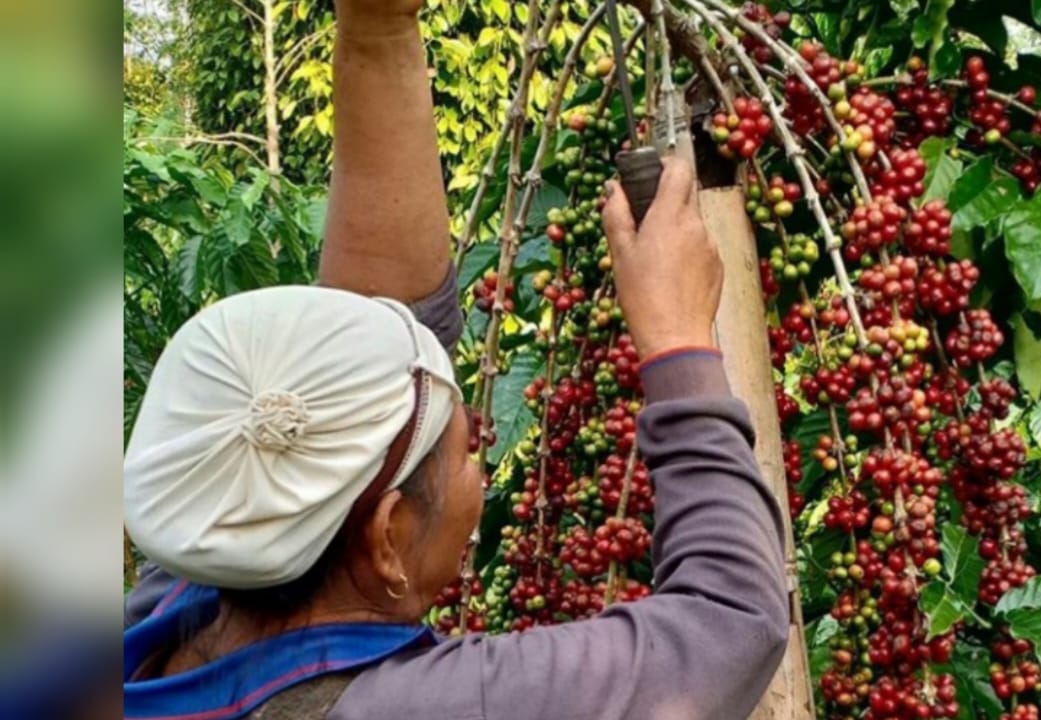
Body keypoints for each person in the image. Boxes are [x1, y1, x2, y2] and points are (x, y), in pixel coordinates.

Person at [122, 2, 789, 719]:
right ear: (387, 539)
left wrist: (378, 30)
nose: (480, 438)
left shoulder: (187, 599)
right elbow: (729, 626)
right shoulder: (415, 706)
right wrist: (681, 340)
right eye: (467, 449)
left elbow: (390, 320)